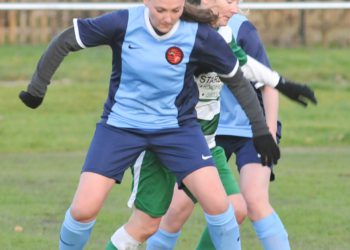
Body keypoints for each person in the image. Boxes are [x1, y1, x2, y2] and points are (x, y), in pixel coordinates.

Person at [18, 0, 287, 249]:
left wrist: (261, 130)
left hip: (178, 131)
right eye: (160, 10)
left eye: (175, 11)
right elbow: (67, 40)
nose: (168, 19)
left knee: (223, 208)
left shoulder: (198, 34)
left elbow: (238, 79)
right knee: (84, 210)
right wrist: (36, 89)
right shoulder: (123, 23)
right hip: (121, 127)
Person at [105, 1, 317, 250]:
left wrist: (281, 85)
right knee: (148, 223)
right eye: (229, 1)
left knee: (237, 208)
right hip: (168, 137)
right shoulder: (178, 32)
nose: (235, 9)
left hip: (205, 141)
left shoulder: (226, 32)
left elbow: (242, 66)